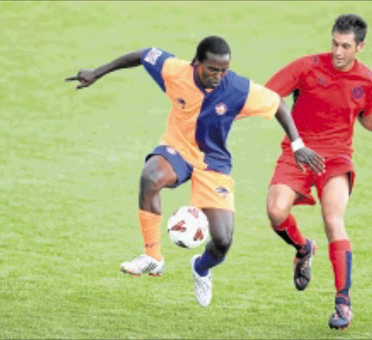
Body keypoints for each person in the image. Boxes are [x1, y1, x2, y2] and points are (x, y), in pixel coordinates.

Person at [66, 36, 324, 308]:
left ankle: (201, 268)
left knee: (223, 241)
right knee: (150, 177)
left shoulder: (236, 87)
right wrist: (97, 72)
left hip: (213, 162)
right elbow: (142, 55)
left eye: (224, 70)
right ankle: (152, 255)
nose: (219, 76)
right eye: (213, 69)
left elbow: (277, 104)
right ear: (196, 63)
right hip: (177, 149)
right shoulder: (176, 71)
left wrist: (297, 145)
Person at [265, 14, 372, 329]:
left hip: (336, 158)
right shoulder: (306, 67)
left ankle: (343, 301)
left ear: (361, 46)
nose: (338, 51)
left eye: (346, 46)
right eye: (334, 43)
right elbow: (268, 95)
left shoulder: (367, 80)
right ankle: (303, 247)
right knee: (275, 211)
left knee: (333, 219)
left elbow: (366, 116)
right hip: (297, 152)